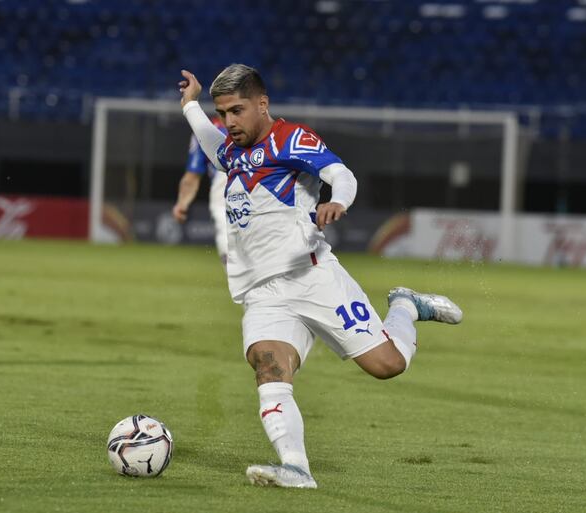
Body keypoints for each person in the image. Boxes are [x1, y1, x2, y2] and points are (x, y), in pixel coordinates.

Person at [178, 64, 463, 489]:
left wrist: (338, 202)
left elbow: (341, 174)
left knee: (388, 365)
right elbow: (208, 136)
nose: (230, 122)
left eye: (237, 111)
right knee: (268, 366)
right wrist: (190, 106)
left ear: (262, 103)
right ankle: (296, 469)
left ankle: (405, 305)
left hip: (312, 278)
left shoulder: (291, 138)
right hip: (262, 294)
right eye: (223, 114)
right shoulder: (231, 153)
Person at [172, 117, 229, 264]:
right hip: (255, 181)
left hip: (225, 185)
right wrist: (182, 203)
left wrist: (182, 204)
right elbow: (192, 175)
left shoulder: (205, 130)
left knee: (228, 239)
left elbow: (193, 174)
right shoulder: (257, 123)